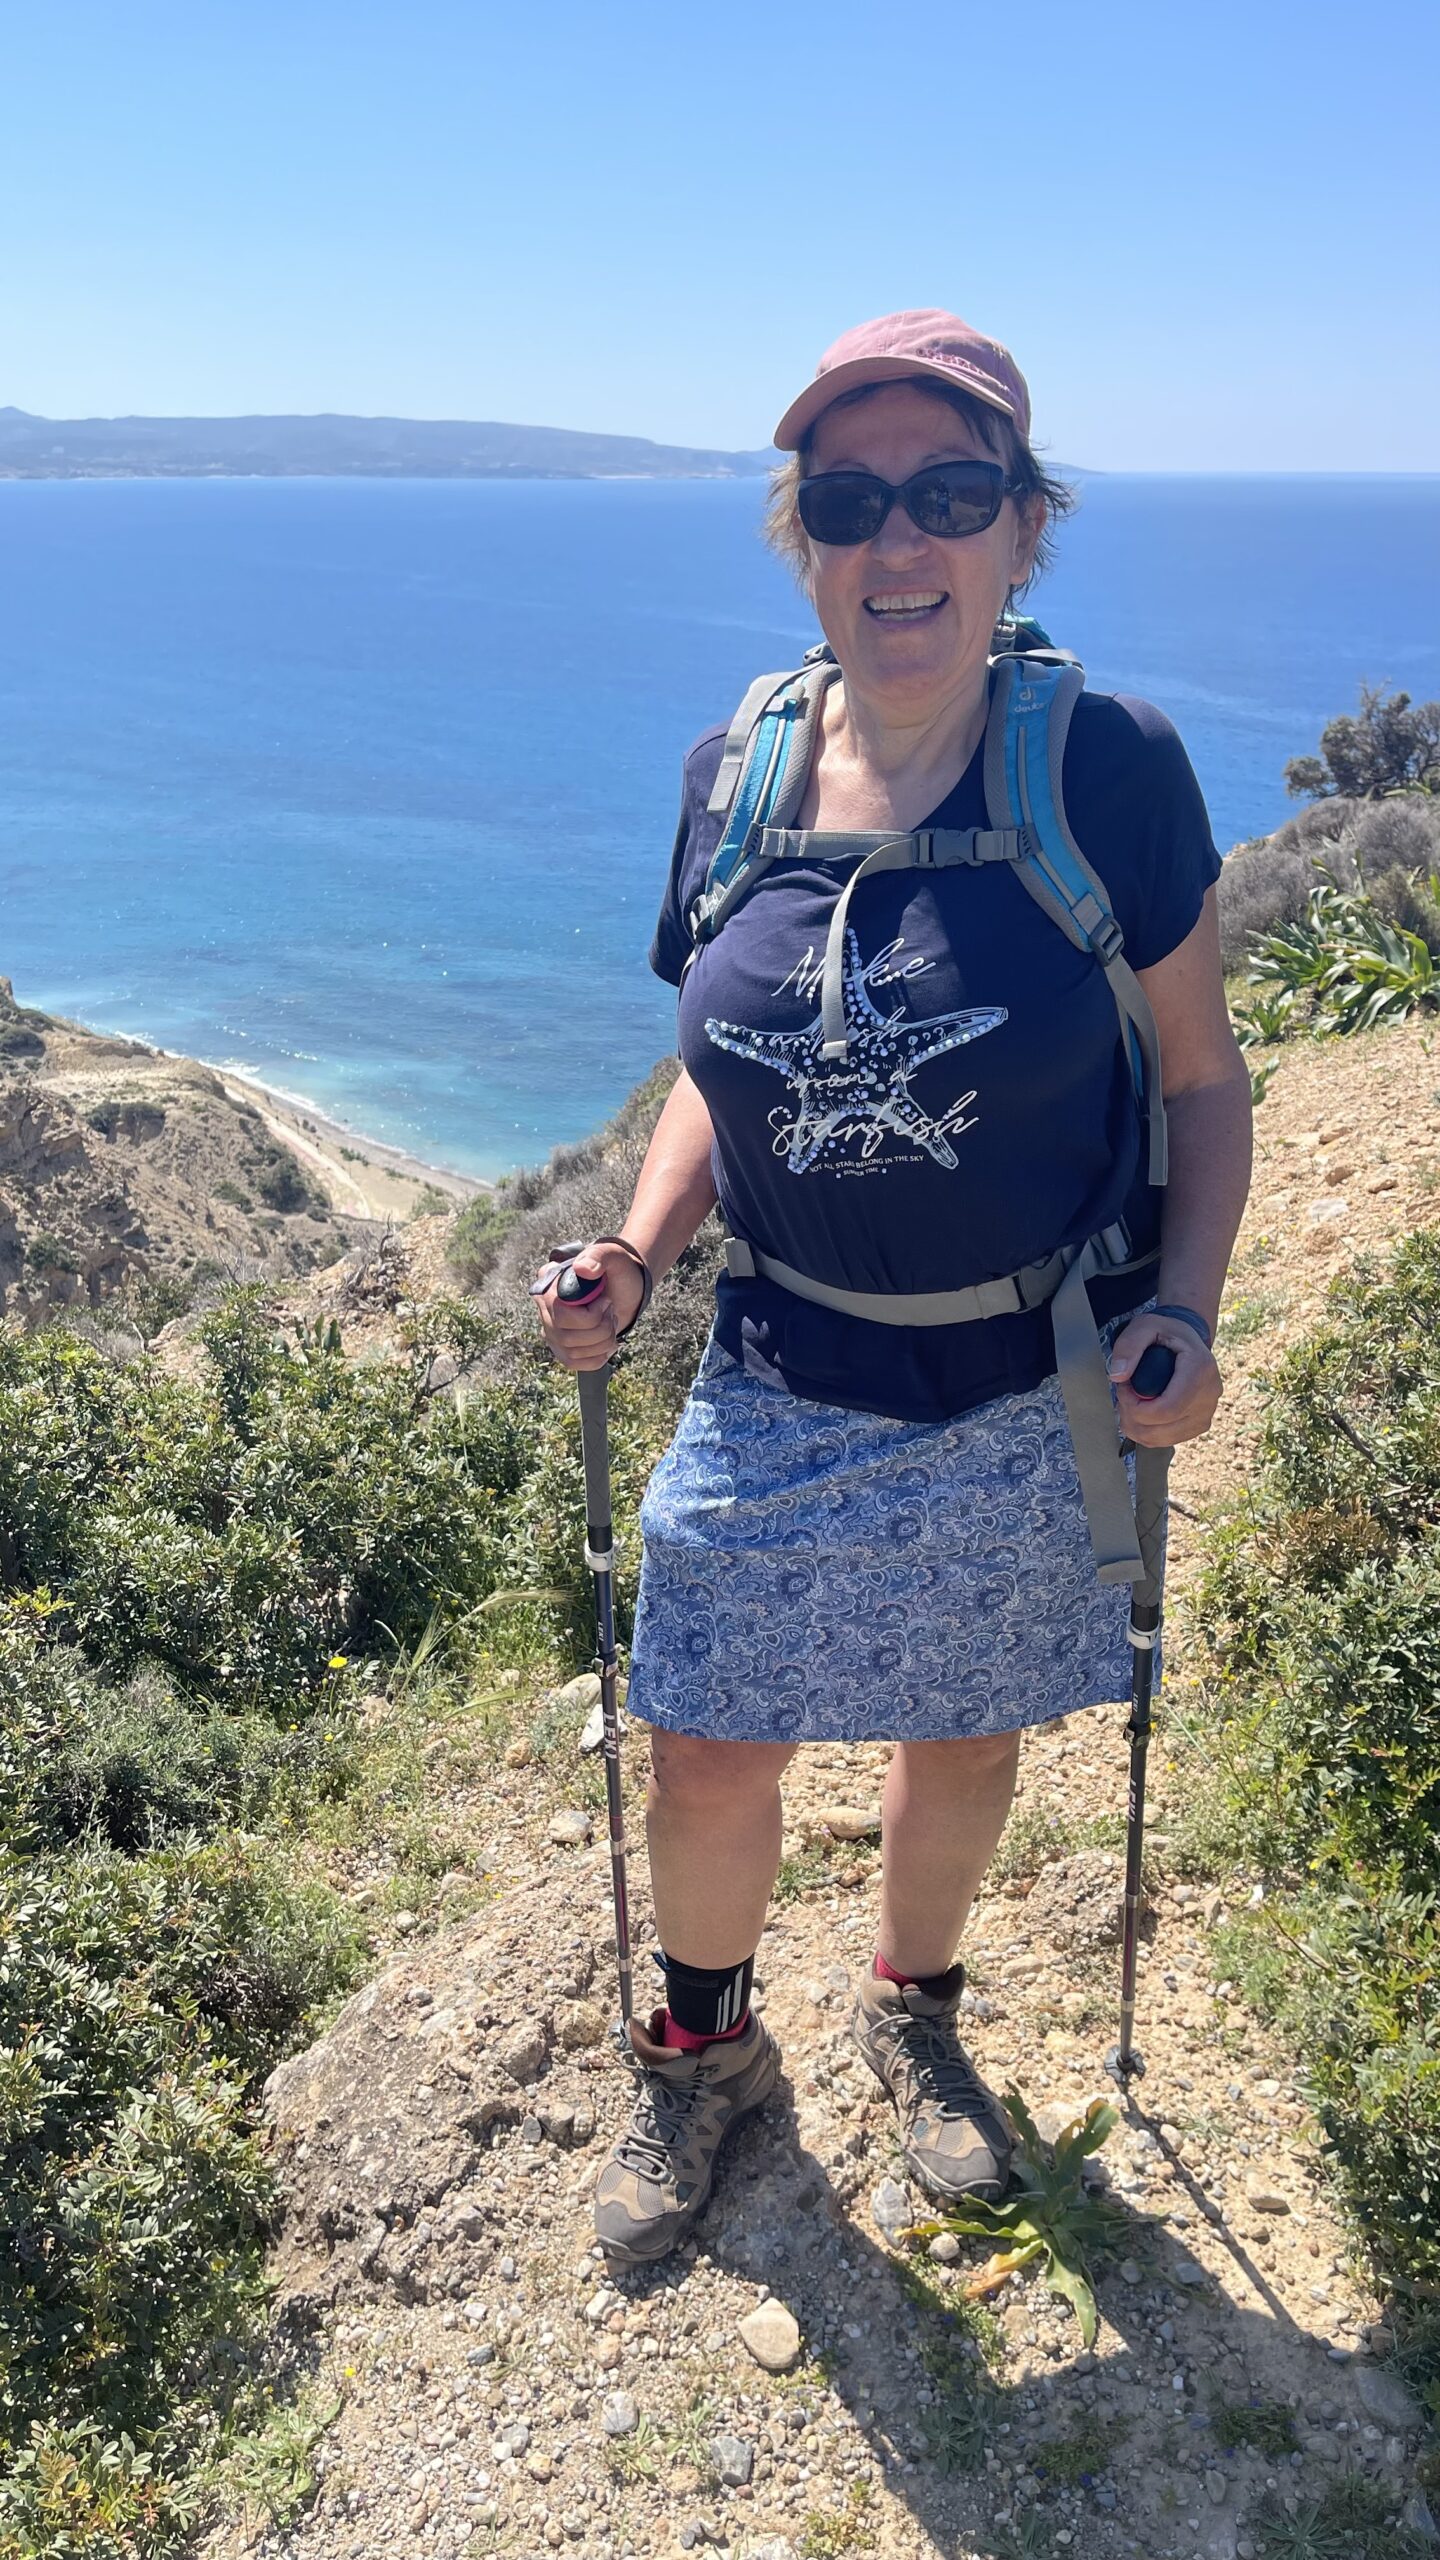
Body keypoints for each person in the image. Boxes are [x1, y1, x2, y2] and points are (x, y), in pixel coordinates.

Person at [533, 310, 1251, 2270]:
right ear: (805, 542)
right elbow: (722, 1060)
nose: (900, 539)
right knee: (705, 1736)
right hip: (780, 1357)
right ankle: (705, 2048)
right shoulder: (735, 774)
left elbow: (1204, 1077)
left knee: (967, 1727)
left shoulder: (1106, 767)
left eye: (950, 491)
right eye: (849, 503)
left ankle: (913, 2010)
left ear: (1023, 525)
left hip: (1033, 1370)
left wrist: (1188, 1310)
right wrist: (639, 1247)